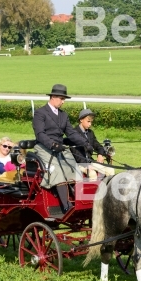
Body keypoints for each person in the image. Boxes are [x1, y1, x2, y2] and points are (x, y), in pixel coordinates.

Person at [32, 84, 90, 213]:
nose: (63, 102)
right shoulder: (40, 113)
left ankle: (80, 201)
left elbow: (71, 133)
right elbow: (40, 134)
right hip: (44, 147)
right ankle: (66, 205)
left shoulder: (63, 115)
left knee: (74, 168)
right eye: (61, 99)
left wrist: (85, 142)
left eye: (64, 99)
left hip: (60, 147)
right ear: (53, 97)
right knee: (57, 170)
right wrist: (52, 145)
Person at [64, 108, 115, 180]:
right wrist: (86, 165)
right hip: (79, 163)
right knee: (92, 173)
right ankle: (93, 191)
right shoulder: (74, 134)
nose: (90, 124)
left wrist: (100, 154)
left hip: (90, 162)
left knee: (110, 170)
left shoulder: (90, 133)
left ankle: (107, 189)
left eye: (91, 122)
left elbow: (98, 145)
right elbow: (76, 154)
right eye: (88, 121)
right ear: (81, 120)